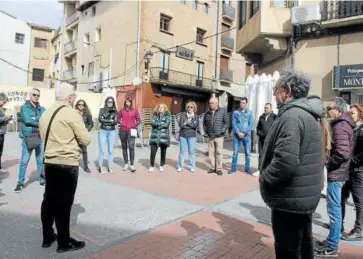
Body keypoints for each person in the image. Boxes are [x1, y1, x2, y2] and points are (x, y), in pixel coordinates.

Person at [259, 69, 324, 259]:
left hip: (290, 199)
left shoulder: (292, 116)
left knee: (289, 251)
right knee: (303, 249)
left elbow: (285, 162)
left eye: (276, 88)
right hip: (302, 197)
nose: (274, 93)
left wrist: (265, 178)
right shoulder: (307, 114)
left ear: (287, 92)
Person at [39, 83, 90, 253]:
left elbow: (42, 135)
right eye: (74, 96)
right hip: (67, 163)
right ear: (69, 97)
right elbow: (86, 139)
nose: (74, 99)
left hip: (49, 162)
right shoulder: (71, 112)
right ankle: (63, 243)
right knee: (64, 204)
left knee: (49, 200)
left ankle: (47, 236)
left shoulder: (46, 113)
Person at [315, 97, 355, 257]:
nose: (327, 111)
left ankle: (332, 247)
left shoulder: (340, 126)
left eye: (330, 108)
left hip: (337, 173)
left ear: (338, 110)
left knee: (334, 211)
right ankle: (331, 240)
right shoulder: (344, 123)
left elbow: (343, 153)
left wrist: (327, 162)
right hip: (340, 172)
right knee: (335, 210)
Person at [14, 88, 45, 193]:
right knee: (24, 161)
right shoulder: (24, 108)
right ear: (30, 95)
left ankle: (42, 179)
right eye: (34, 94)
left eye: (38, 95)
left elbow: (44, 120)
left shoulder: (42, 109)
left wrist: (34, 120)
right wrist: (38, 121)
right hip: (28, 137)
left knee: (40, 161)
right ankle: (20, 182)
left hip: (39, 137)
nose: (36, 97)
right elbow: (27, 120)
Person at [341, 104, 363, 241]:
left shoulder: (361, 130)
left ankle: (359, 229)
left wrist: (352, 161)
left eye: (353, 113)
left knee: (359, 201)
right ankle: (338, 224)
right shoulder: (354, 128)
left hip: (358, 170)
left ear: (360, 114)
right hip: (349, 169)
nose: (350, 115)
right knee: (341, 197)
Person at [203, 97, 228, 176]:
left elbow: (226, 123)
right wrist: (206, 132)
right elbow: (204, 123)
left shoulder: (222, 111)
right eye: (210, 103)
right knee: (211, 153)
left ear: (217, 103)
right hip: (210, 136)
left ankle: (219, 169)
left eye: (212, 103)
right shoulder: (207, 112)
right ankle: (212, 167)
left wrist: (222, 131)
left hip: (219, 136)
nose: (210, 105)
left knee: (219, 153)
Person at [229, 97, 254, 175]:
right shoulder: (236, 112)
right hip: (237, 136)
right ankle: (233, 168)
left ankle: (247, 168)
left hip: (246, 136)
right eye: (241, 103)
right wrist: (238, 132)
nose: (242, 104)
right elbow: (233, 123)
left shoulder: (250, 113)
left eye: (243, 103)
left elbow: (251, 125)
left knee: (247, 152)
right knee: (235, 152)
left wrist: (243, 132)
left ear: (246, 104)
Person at [117, 97, 141, 173]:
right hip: (123, 130)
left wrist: (134, 125)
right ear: (125, 103)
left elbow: (139, 120)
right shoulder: (122, 110)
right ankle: (126, 163)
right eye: (126, 102)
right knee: (124, 147)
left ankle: (132, 164)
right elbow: (117, 119)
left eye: (129, 102)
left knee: (131, 147)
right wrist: (122, 123)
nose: (128, 103)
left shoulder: (134, 111)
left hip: (132, 131)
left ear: (131, 103)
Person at [254, 103, 276, 177]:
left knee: (270, 156)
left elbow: (276, 128)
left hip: (270, 141)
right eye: (265, 108)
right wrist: (260, 133)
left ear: (271, 109)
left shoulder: (275, 117)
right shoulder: (261, 117)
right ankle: (259, 170)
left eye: (267, 108)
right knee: (261, 155)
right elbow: (258, 128)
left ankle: (268, 171)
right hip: (262, 140)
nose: (266, 109)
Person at [177, 101, 199, 172]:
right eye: (188, 107)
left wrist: (186, 123)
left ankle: (192, 166)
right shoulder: (183, 115)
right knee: (182, 151)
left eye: (191, 107)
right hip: (183, 135)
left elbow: (195, 126)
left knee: (191, 151)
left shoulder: (196, 116)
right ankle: (180, 166)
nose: (189, 108)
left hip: (192, 136)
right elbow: (181, 124)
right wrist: (190, 124)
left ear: (194, 108)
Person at [149, 103, 171, 173]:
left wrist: (157, 124)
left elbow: (166, 124)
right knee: (152, 152)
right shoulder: (154, 115)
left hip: (164, 136)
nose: (160, 108)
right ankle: (152, 165)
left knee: (163, 152)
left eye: (162, 107)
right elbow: (152, 122)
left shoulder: (167, 116)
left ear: (165, 109)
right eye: (159, 107)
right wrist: (160, 124)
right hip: (155, 136)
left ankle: (161, 165)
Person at [98, 97, 117, 174]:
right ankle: (101, 167)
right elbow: (100, 119)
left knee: (110, 150)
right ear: (106, 102)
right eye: (108, 102)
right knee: (101, 149)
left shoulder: (115, 111)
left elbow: (115, 122)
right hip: (103, 130)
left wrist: (105, 120)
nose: (110, 103)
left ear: (113, 103)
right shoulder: (102, 110)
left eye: (111, 102)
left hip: (112, 132)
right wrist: (110, 121)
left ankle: (109, 166)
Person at [75, 100, 93, 173]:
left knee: (84, 151)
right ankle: (74, 166)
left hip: (83, 134)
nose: (80, 106)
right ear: (77, 105)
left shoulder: (87, 114)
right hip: (75, 134)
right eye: (79, 104)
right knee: (74, 150)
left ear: (84, 106)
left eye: (82, 105)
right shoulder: (74, 113)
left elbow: (91, 124)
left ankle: (86, 167)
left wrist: (87, 130)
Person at [0, 93, 12, 171]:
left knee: (0, 151)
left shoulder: (1, 108)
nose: (5, 103)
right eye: (4, 101)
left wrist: (8, 119)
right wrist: (6, 117)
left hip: (2, 133)